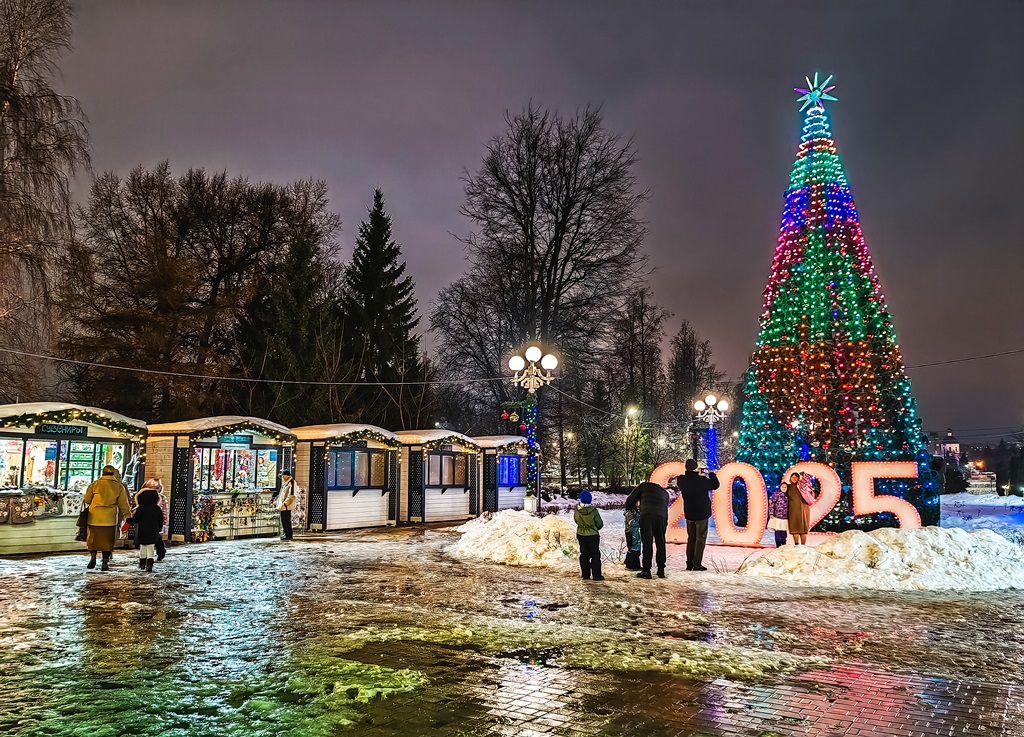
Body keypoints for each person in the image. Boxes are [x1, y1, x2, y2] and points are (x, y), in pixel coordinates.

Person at [82, 465, 131, 571]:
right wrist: (128, 516)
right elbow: (124, 505)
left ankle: (93, 557)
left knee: (93, 539)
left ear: (102, 473)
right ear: (113, 474)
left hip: (94, 517)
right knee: (107, 541)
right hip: (109, 518)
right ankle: (104, 562)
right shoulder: (119, 486)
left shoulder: (95, 484)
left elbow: (87, 500)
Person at [677, 459, 720, 571]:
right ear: (696, 467)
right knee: (700, 538)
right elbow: (715, 485)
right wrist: (710, 473)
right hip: (701, 513)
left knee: (691, 538)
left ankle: (689, 563)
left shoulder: (681, 480)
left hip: (689, 513)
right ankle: (697, 563)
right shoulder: (701, 480)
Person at [625, 480, 670, 579]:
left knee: (647, 542)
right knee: (660, 542)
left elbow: (630, 500)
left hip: (647, 515)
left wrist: (630, 510)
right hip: (662, 516)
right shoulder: (664, 492)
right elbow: (666, 504)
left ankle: (646, 571)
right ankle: (661, 570)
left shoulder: (644, 486)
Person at [126, 487, 164, 572]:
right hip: (153, 530)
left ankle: (142, 563)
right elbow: (160, 520)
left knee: (143, 547)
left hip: (142, 530)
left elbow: (136, 519)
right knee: (150, 547)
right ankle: (150, 563)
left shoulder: (141, 509)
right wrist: (159, 529)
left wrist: (128, 520)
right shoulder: (157, 509)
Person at [573, 491, 604, 581]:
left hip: (581, 534)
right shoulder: (594, 511)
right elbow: (600, 524)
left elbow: (576, 520)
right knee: (595, 555)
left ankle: (585, 574)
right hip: (593, 535)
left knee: (584, 554)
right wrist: (593, 528)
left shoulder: (577, 510)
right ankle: (597, 575)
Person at [136, 479, 169, 561]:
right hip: (154, 522)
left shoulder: (141, 496)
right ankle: (157, 553)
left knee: (154, 538)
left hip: (148, 521)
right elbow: (165, 511)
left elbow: (165, 511)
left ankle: (149, 556)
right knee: (155, 538)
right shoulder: (159, 498)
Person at [785, 472, 815, 545]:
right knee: (794, 527)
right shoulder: (788, 487)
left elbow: (811, 494)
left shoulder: (803, 487)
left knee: (803, 528)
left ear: (799, 478)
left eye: (796, 477)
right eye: (793, 477)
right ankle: (796, 544)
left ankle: (803, 545)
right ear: (790, 478)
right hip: (792, 510)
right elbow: (781, 494)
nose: (794, 478)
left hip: (804, 509)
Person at [276, 471, 297, 540]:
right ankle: (286, 533)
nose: (282, 477)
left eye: (283, 476)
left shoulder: (291, 482)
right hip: (283, 505)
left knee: (286, 520)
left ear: (287, 476)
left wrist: (285, 504)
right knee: (284, 520)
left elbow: (292, 495)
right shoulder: (286, 483)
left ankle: (288, 535)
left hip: (286, 506)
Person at [767, 482, 789, 547]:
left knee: (783, 531)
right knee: (778, 530)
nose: (784, 488)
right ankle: (778, 544)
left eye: (785, 487)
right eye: (783, 487)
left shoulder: (788, 495)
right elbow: (772, 504)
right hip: (777, 515)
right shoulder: (776, 494)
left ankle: (784, 543)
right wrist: (771, 513)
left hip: (785, 516)